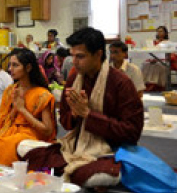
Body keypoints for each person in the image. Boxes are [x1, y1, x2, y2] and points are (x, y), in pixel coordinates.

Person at [21, 27, 144, 188]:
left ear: (98, 54)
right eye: (72, 55)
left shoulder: (121, 83)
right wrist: (73, 114)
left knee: (93, 175)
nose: (74, 61)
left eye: (80, 56)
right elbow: (66, 124)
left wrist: (88, 115)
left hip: (110, 149)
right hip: (77, 144)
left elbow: (132, 133)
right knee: (33, 156)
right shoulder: (74, 79)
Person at [142, 26, 175, 91]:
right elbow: (151, 53)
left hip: (164, 61)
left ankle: (157, 86)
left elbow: (172, 55)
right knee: (145, 64)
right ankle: (146, 84)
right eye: (158, 31)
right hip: (153, 59)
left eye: (161, 31)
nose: (159, 33)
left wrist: (159, 60)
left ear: (165, 33)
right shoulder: (153, 43)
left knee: (158, 66)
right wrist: (151, 59)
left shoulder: (169, 43)